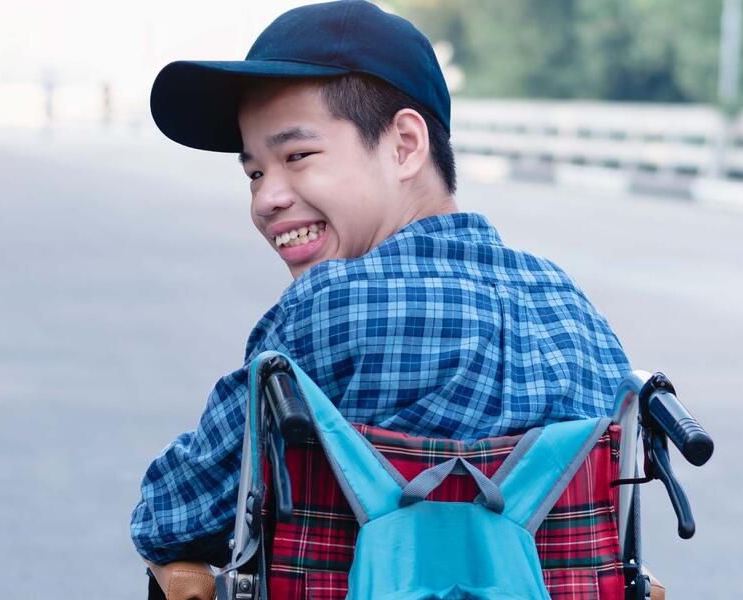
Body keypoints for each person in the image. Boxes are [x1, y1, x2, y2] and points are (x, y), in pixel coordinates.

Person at [132, 2, 632, 597]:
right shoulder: (569, 309)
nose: (266, 198)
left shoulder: (328, 308)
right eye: (254, 172)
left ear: (403, 145)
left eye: (296, 156)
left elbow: (175, 515)